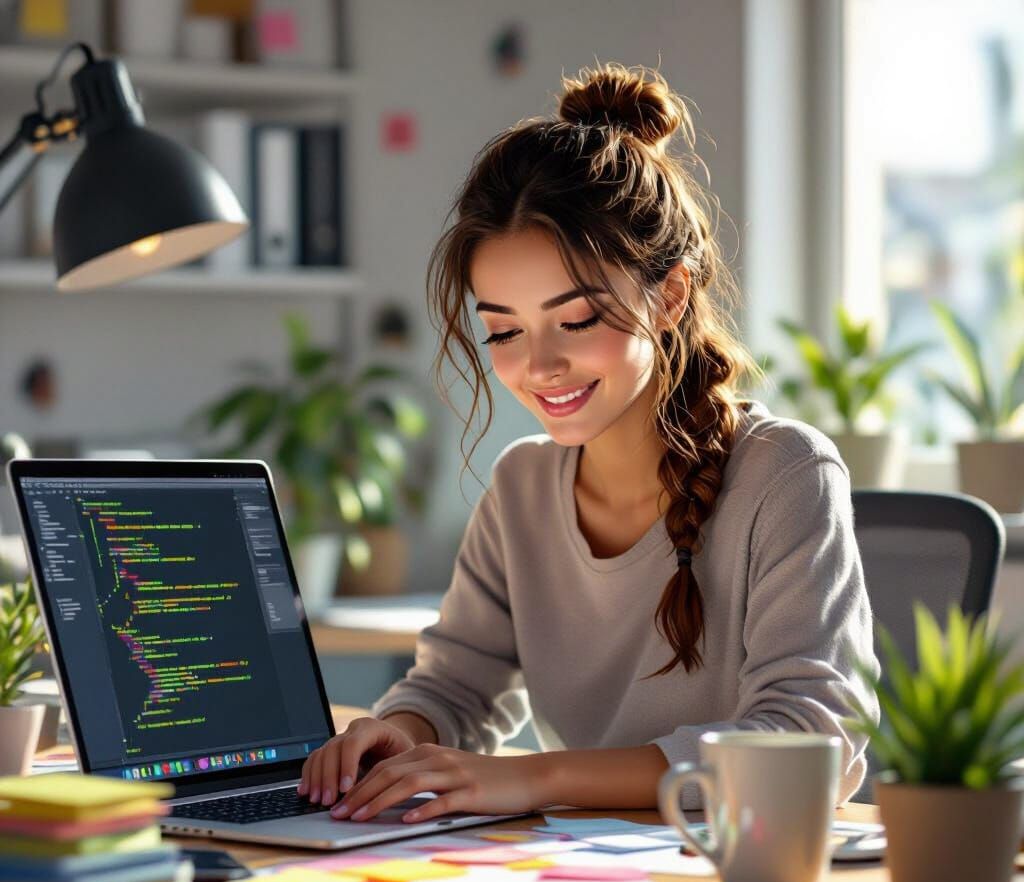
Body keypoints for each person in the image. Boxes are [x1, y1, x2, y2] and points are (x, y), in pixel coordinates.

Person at [297, 60, 881, 823]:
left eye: (575, 321)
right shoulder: (523, 487)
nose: (538, 365)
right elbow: (455, 686)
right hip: (579, 875)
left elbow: (812, 739)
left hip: (745, 873)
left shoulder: (785, 474)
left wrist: (539, 779)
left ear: (670, 294)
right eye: (503, 329)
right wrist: (397, 736)